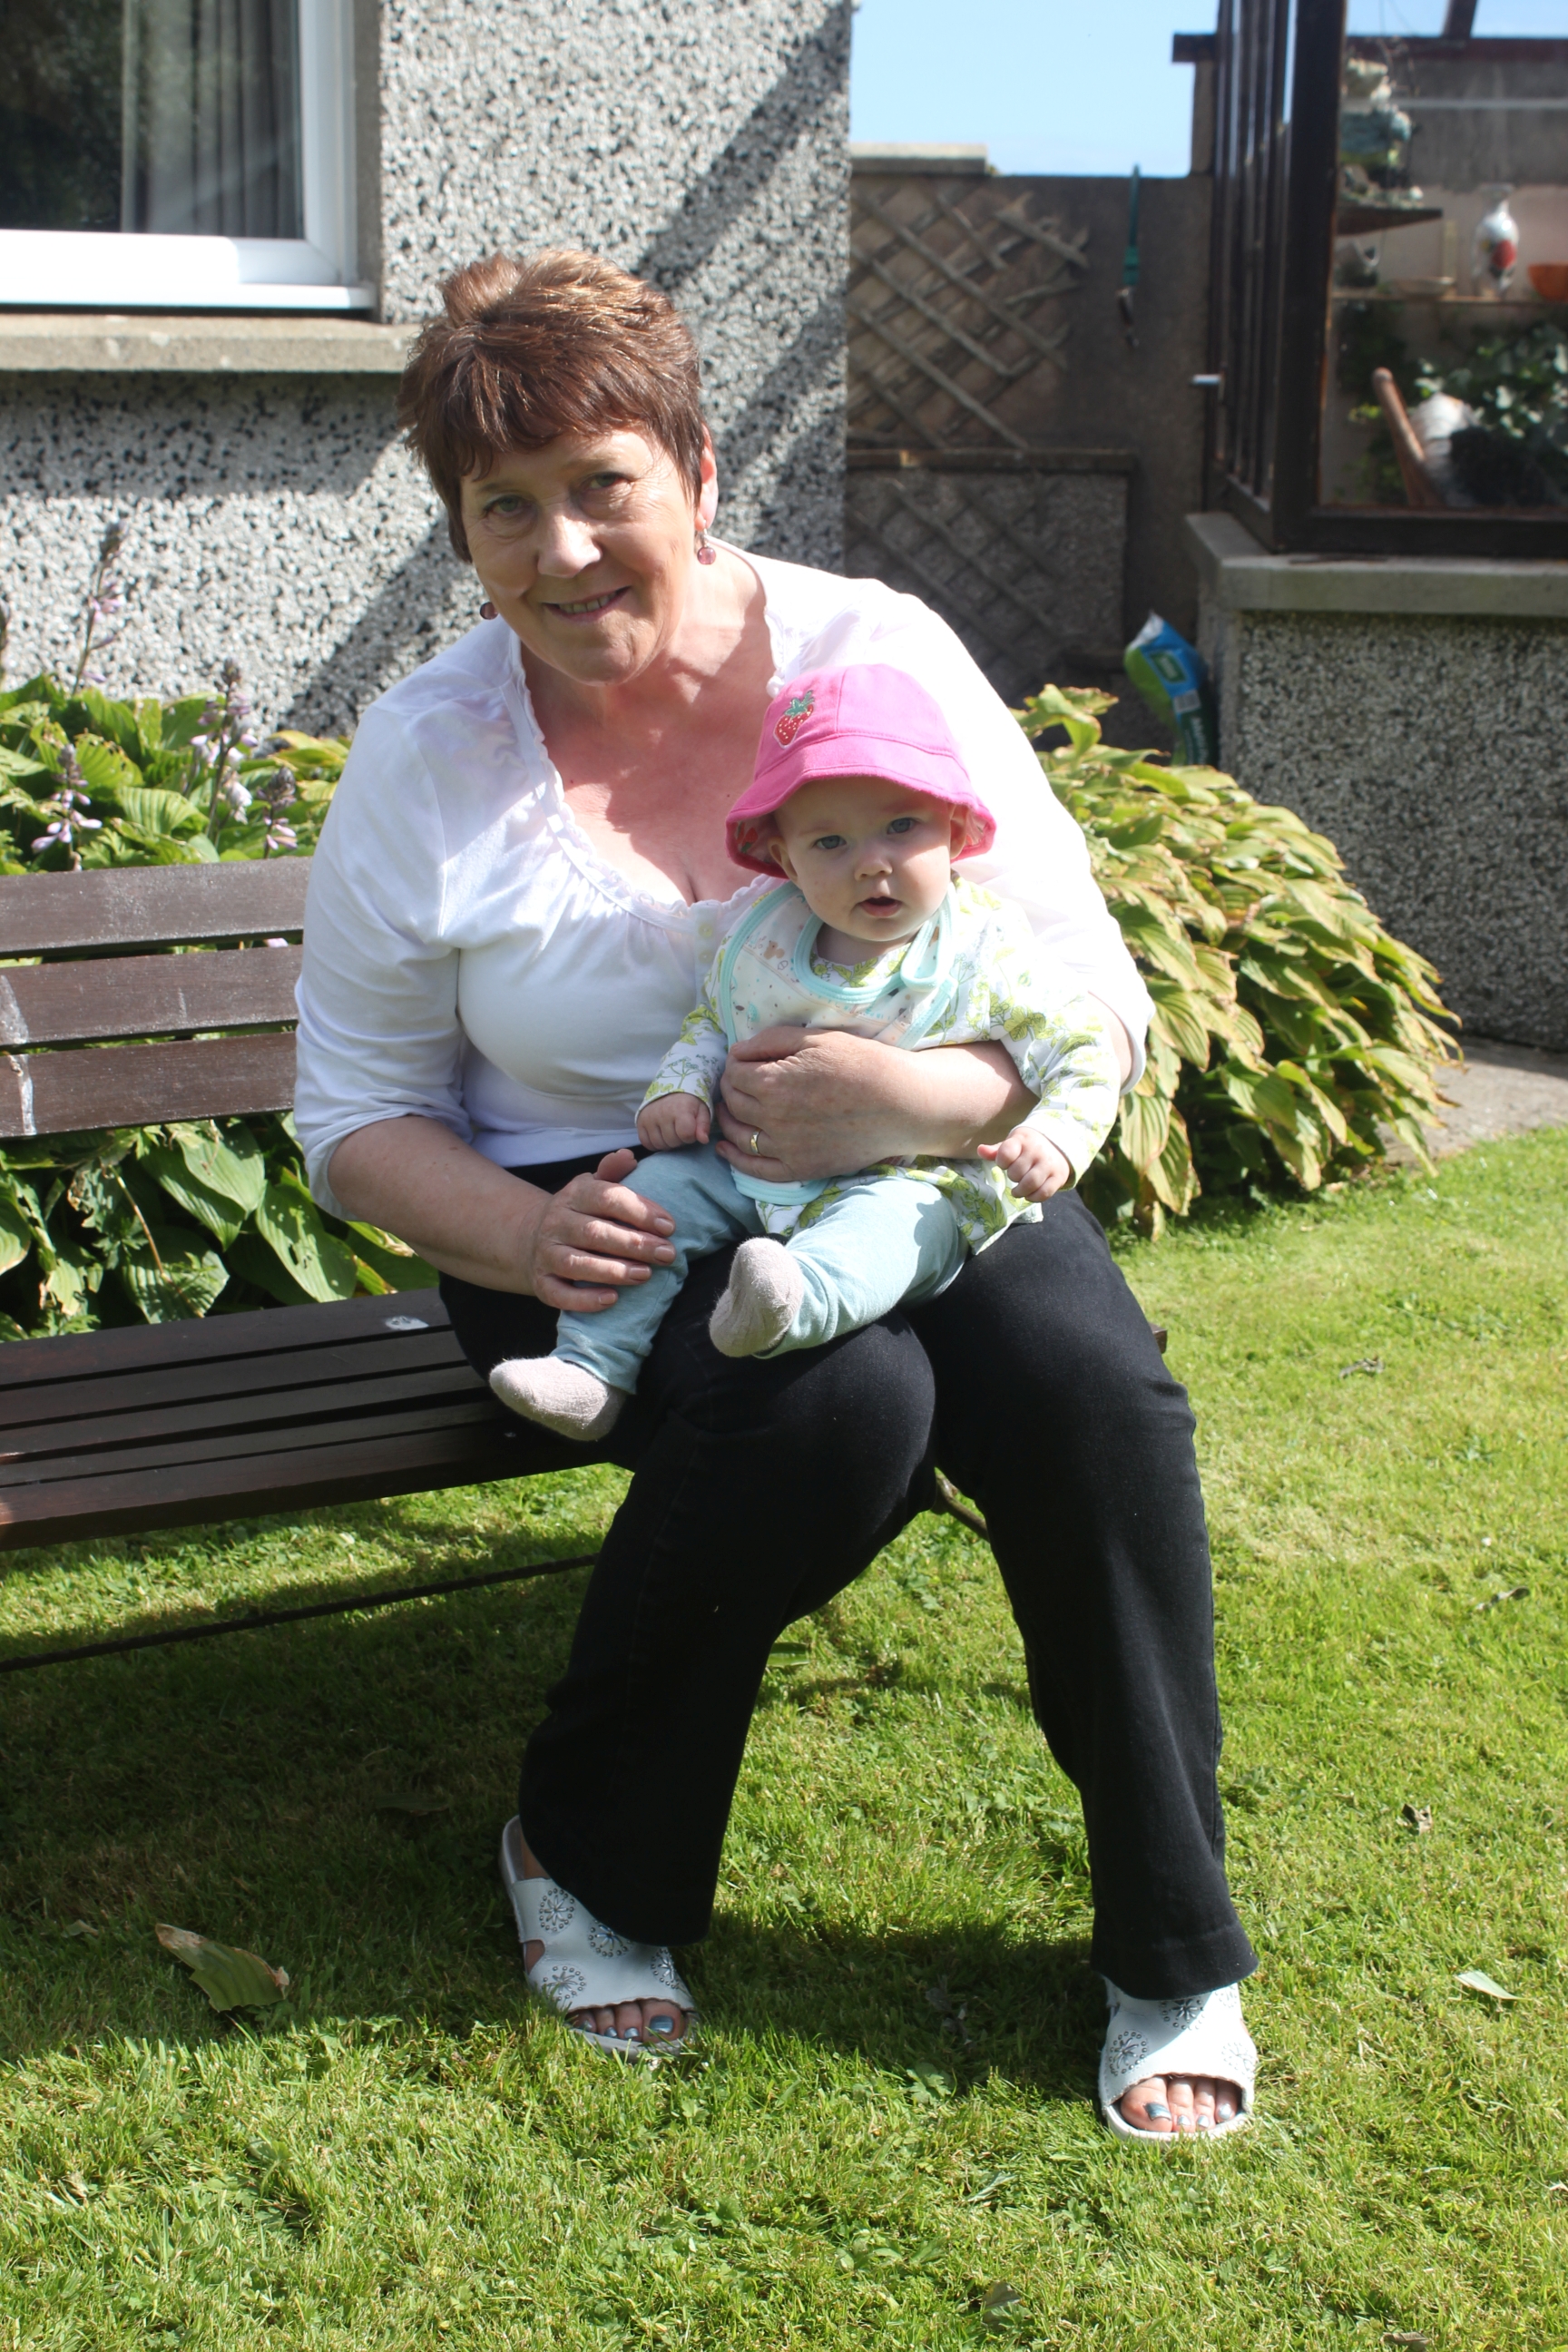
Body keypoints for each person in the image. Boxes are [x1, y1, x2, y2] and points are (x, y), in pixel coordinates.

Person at [293, 246, 1259, 2135]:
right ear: (461, 533)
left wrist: (915, 1095)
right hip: (602, 1215)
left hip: (929, 1159)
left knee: (1091, 1397)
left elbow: (1088, 991)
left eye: (602, 485)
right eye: (505, 508)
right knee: (838, 1404)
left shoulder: (869, 652)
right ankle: (583, 1847)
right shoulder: (428, 753)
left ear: (700, 470)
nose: (563, 549)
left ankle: (1171, 1942)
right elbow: (355, 1113)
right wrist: (526, 1232)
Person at [488, 662, 1122, 1441]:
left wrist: (1056, 1135)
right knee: (652, 1200)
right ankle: (590, 1367)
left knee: (892, 1235)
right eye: (829, 841)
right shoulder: (765, 933)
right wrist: (679, 1090)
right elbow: (715, 1020)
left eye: (902, 827)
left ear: (956, 830)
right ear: (785, 860)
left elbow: (1083, 1051)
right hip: (740, 1162)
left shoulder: (985, 950)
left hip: (907, 1177)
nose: (872, 862)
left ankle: (794, 1300)